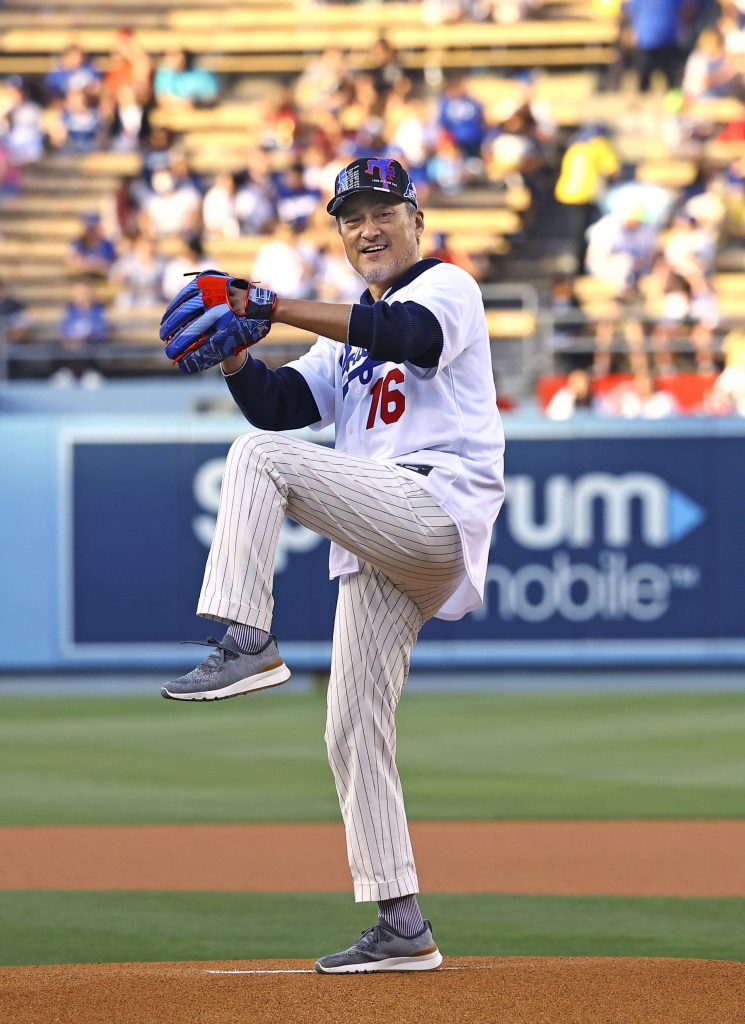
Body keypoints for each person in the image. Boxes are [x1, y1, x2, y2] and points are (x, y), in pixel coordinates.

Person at [159, 157, 505, 973]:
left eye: (383, 209)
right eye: (351, 217)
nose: (368, 227)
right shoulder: (348, 336)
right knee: (351, 728)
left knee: (256, 461)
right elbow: (282, 408)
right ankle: (401, 924)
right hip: (380, 540)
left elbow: (408, 337)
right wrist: (239, 357)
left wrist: (270, 304)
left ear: (416, 219)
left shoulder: (446, 287)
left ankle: (248, 642)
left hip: (432, 509)